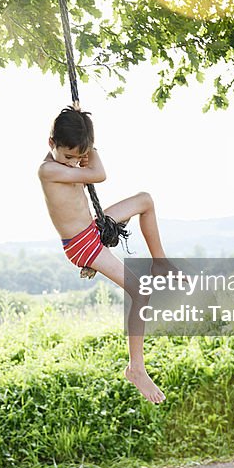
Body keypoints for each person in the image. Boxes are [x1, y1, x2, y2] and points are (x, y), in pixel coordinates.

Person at [38, 106, 170, 404]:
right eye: (68, 157)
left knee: (145, 201)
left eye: (77, 157)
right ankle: (136, 368)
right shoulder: (47, 170)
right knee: (140, 293)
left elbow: (89, 170)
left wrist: (86, 143)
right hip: (82, 245)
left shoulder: (68, 163)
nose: (73, 164)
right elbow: (99, 174)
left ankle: (160, 262)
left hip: (91, 229)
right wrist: (90, 152)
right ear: (51, 144)